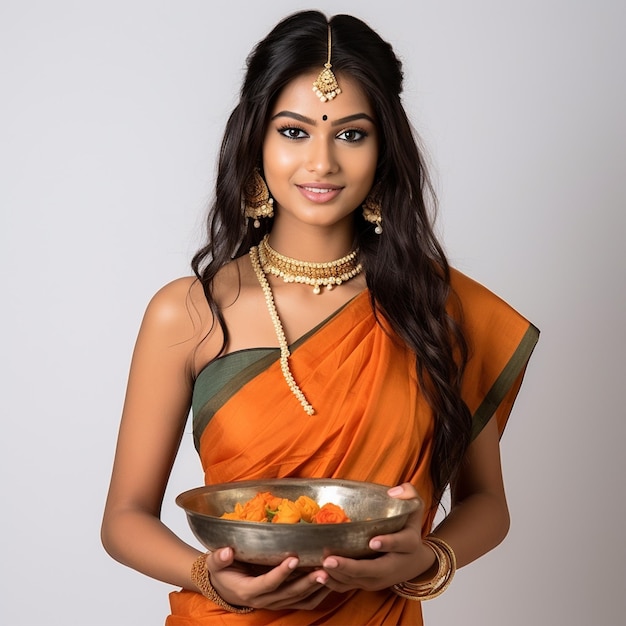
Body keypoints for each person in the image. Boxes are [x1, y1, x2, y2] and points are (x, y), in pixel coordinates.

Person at [101, 10, 539, 625]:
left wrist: (428, 558)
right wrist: (208, 576)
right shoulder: (189, 311)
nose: (322, 163)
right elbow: (123, 518)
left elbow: (488, 503)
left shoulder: (441, 309)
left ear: (386, 149)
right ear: (257, 140)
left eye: (352, 134)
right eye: (295, 132)